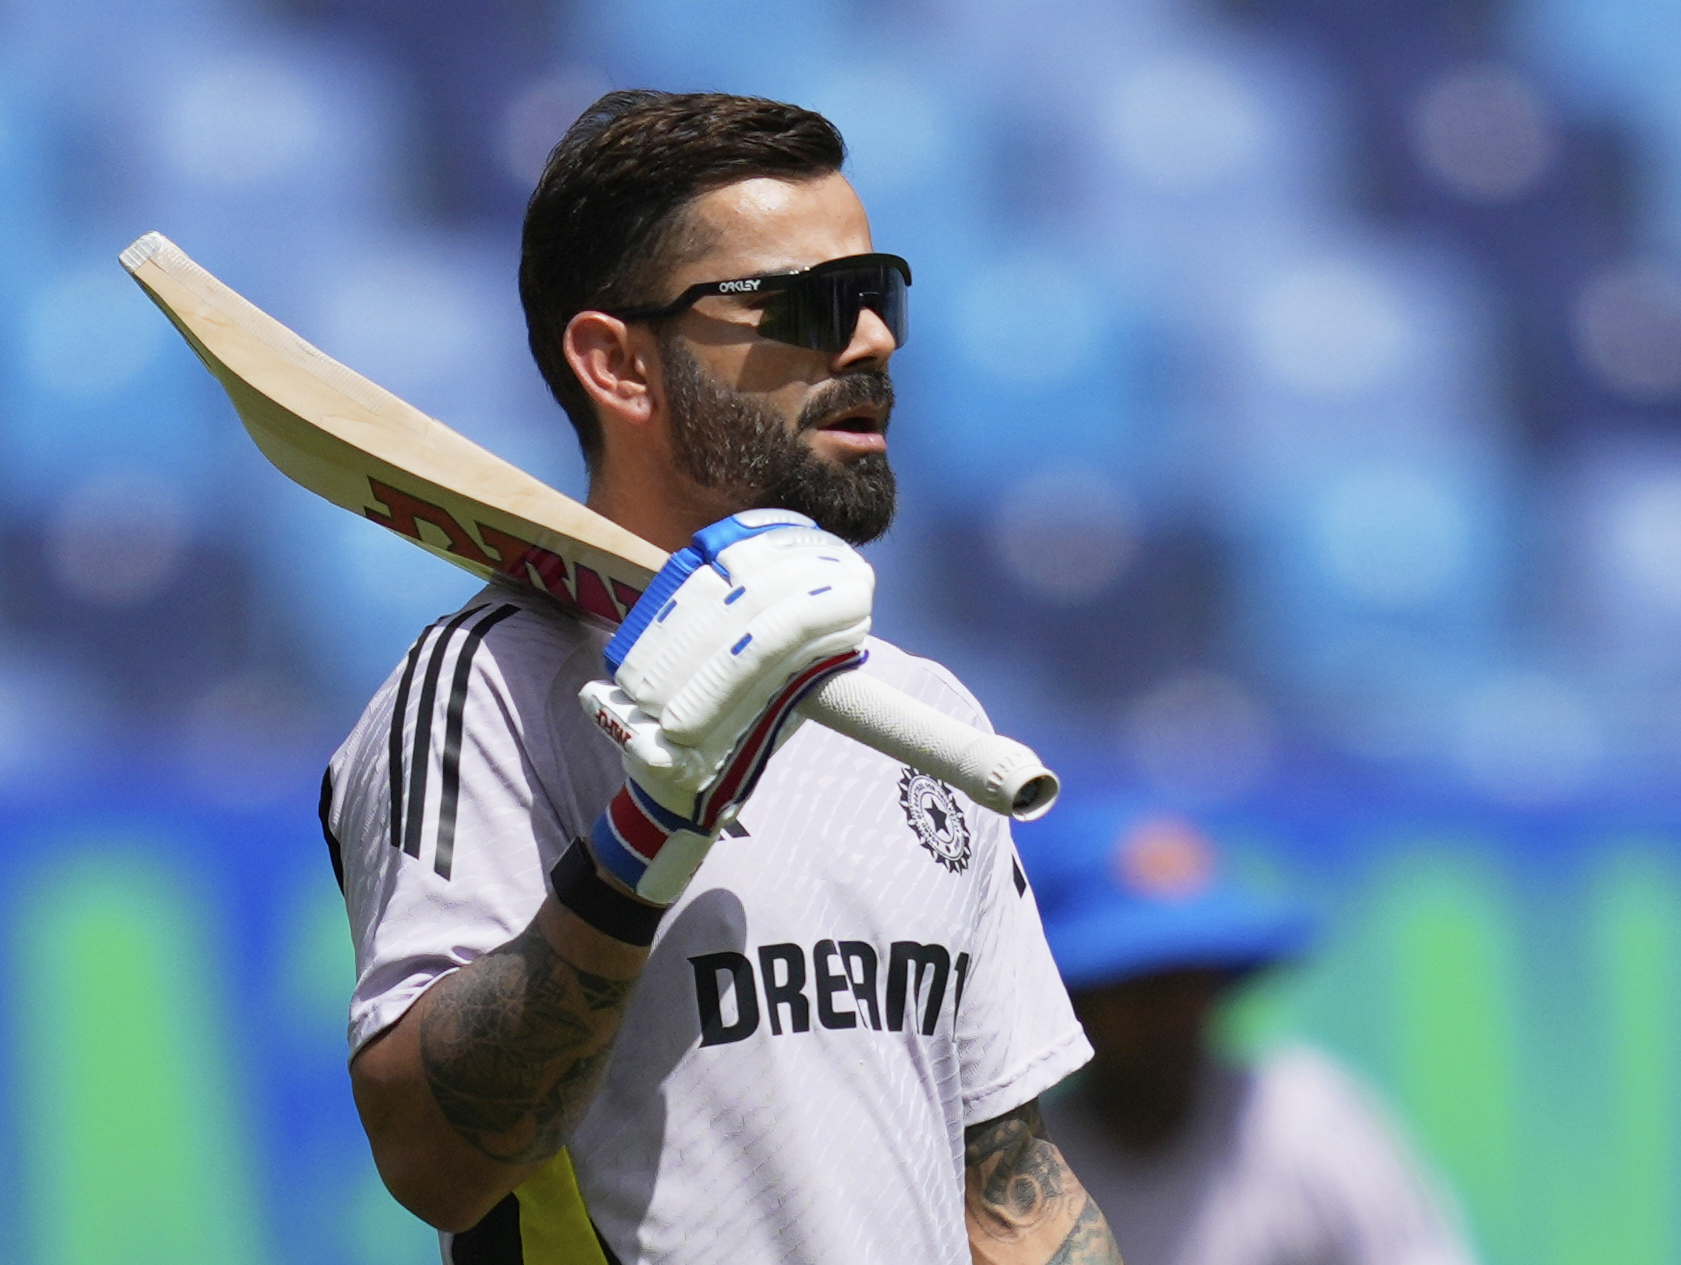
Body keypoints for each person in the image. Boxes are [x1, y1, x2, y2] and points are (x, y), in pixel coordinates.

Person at [319, 91, 1121, 1265]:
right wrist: (646, 829)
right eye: (806, 305)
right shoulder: (485, 688)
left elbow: (1010, 1189)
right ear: (617, 363)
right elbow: (434, 1154)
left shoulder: (922, 711)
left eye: (878, 291)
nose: (871, 340)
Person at [1016, 807, 1478, 1265]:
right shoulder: (1022, 1172)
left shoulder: (1299, 1120)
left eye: (1189, 982)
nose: (1170, 1016)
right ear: (1070, 999)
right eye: (1140, 988)